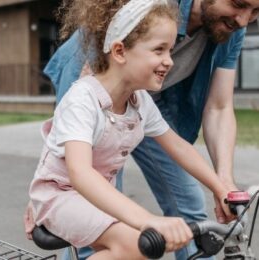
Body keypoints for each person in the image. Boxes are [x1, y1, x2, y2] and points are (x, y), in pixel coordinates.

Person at [25, 0, 259, 259]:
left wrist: (221, 187)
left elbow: (177, 146)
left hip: (89, 188)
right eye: (159, 50)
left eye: (171, 50)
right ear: (120, 51)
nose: (170, 61)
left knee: (141, 242)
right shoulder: (82, 99)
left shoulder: (139, 101)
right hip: (62, 196)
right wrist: (147, 219)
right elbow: (80, 173)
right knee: (134, 244)